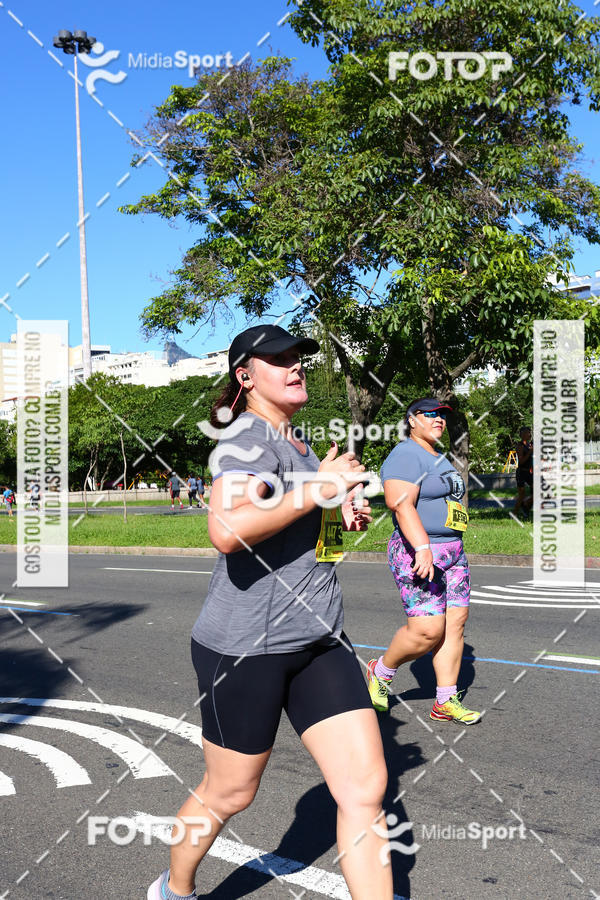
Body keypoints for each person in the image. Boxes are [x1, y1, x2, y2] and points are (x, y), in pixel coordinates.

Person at [147, 324, 392, 900]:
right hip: (244, 648)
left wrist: (337, 507)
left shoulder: (301, 442)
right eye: (277, 359)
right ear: (245, 376)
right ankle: (173, 889)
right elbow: (228, 530)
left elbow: (290, 517)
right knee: (231, 792)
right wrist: (317, 490)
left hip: (318, 639)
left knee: (365, 788)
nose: (294, 365)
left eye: (298, 356)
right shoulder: (244, 442)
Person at [366, 397, 482, 726]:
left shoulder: (438, 456)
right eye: (429, 414)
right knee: (428, 631)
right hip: (419, 551)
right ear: (411, 420)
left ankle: (445, 701)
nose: (438, 419)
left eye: (442, 415)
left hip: (453, 551)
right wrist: (421, 547)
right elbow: (400, 503)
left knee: (454, 626)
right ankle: (381, 671)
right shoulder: (406, 453)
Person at [514, 426, 533, 517]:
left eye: (529, 432)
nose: (529, 434)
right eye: (527, 432)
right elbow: (521, 461)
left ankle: (526, 505)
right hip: (521, 472)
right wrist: (530, 452)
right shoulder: (520, 446)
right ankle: (514, 514)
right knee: (521, 495)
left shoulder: (529, 445)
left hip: (529, 472)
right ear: (522, 435)